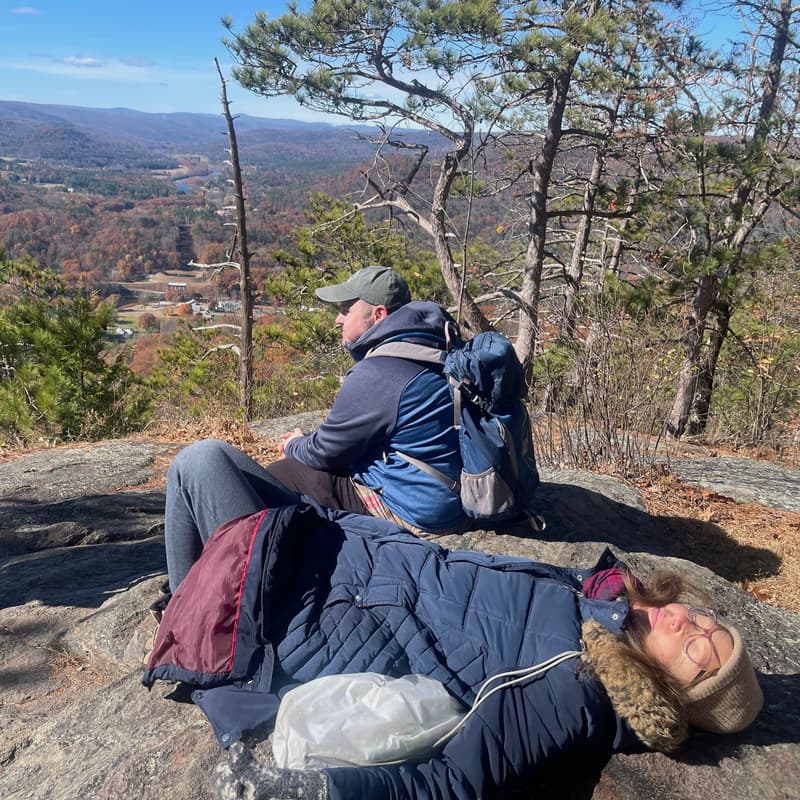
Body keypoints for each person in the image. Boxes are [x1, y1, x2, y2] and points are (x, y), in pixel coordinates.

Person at [143, 469, 764, 800]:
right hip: (340, 547)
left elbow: (454, 783)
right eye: (706, 622)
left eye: (694, 654)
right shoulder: (600, 598)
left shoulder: (576, 689)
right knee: (214, 464)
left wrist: (314, 792)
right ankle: (192, 606)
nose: (687, 622)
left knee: (198, 468)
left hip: (309, 610)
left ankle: (191, 624)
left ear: (674, 694)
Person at [163, 265, 466, 594]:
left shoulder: (381, 372)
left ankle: (195, 595)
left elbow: (324, 450)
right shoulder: (438, 347)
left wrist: (295, 442)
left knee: (236, 468)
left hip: (412, 510)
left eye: (346, 310)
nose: (338, 319)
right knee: (287, 473)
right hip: (444, 493)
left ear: (378, 314)